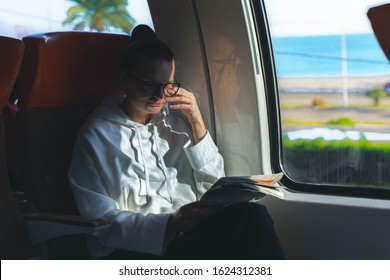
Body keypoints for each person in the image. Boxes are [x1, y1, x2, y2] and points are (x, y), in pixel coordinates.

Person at [68, 25, 285, 260]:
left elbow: (211, 184)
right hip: (137, 249)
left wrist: (196, 121)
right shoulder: (95, 137)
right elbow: (100, 221)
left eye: (167, 86)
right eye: (149, 84)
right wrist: (169, 223)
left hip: (188, 237)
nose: (160, 96)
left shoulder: (175, 126)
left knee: (252, 215)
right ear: (125, 80)